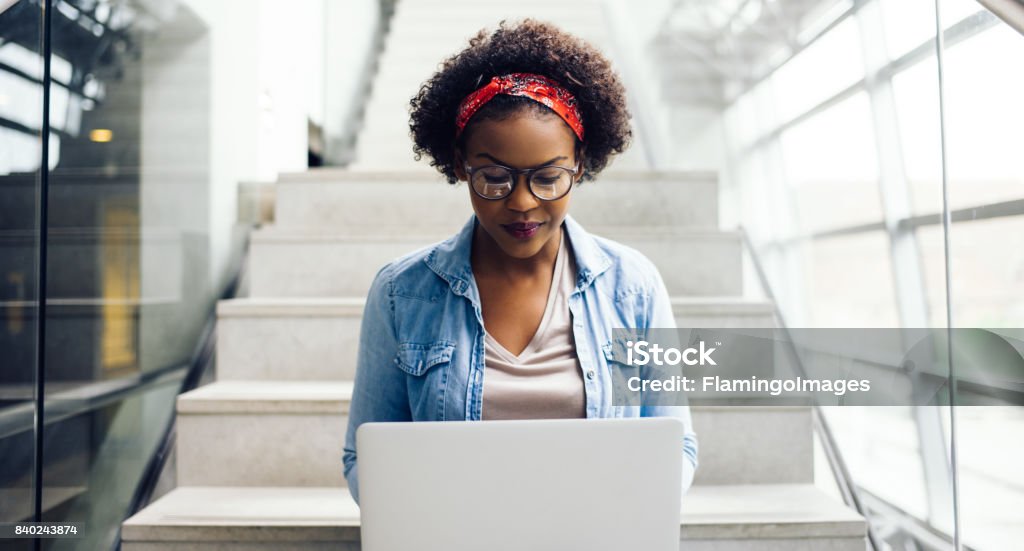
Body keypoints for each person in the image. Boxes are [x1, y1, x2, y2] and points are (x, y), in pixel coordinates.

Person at [342, 18, 698, 505]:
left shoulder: (632, 286)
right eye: (494, 177)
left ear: (580, 164)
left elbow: (676, 442)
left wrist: (630, 515)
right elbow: (365, 456)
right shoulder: (401, 292)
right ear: (461, 164)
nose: (523, 203)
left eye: (549, 177)